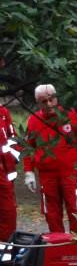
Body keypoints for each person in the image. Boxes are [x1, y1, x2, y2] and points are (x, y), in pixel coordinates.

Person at [23, 84, 77, 243]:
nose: (48, 104)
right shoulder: (34, 121)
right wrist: (29, 172)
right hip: (47, 175)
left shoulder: (71, 116)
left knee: (76, 210)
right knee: (52, 213)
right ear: (38, 103)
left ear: (56, 98)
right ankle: (59, 246)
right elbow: (28, 148)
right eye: (43, 101)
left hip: (71, 173)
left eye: (51, 99)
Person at [0, 104, 20, 255]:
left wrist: (13, 162)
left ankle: (5, 250)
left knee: (8, 210)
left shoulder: (3, 112)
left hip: (6, 171)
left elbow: (12, 139)